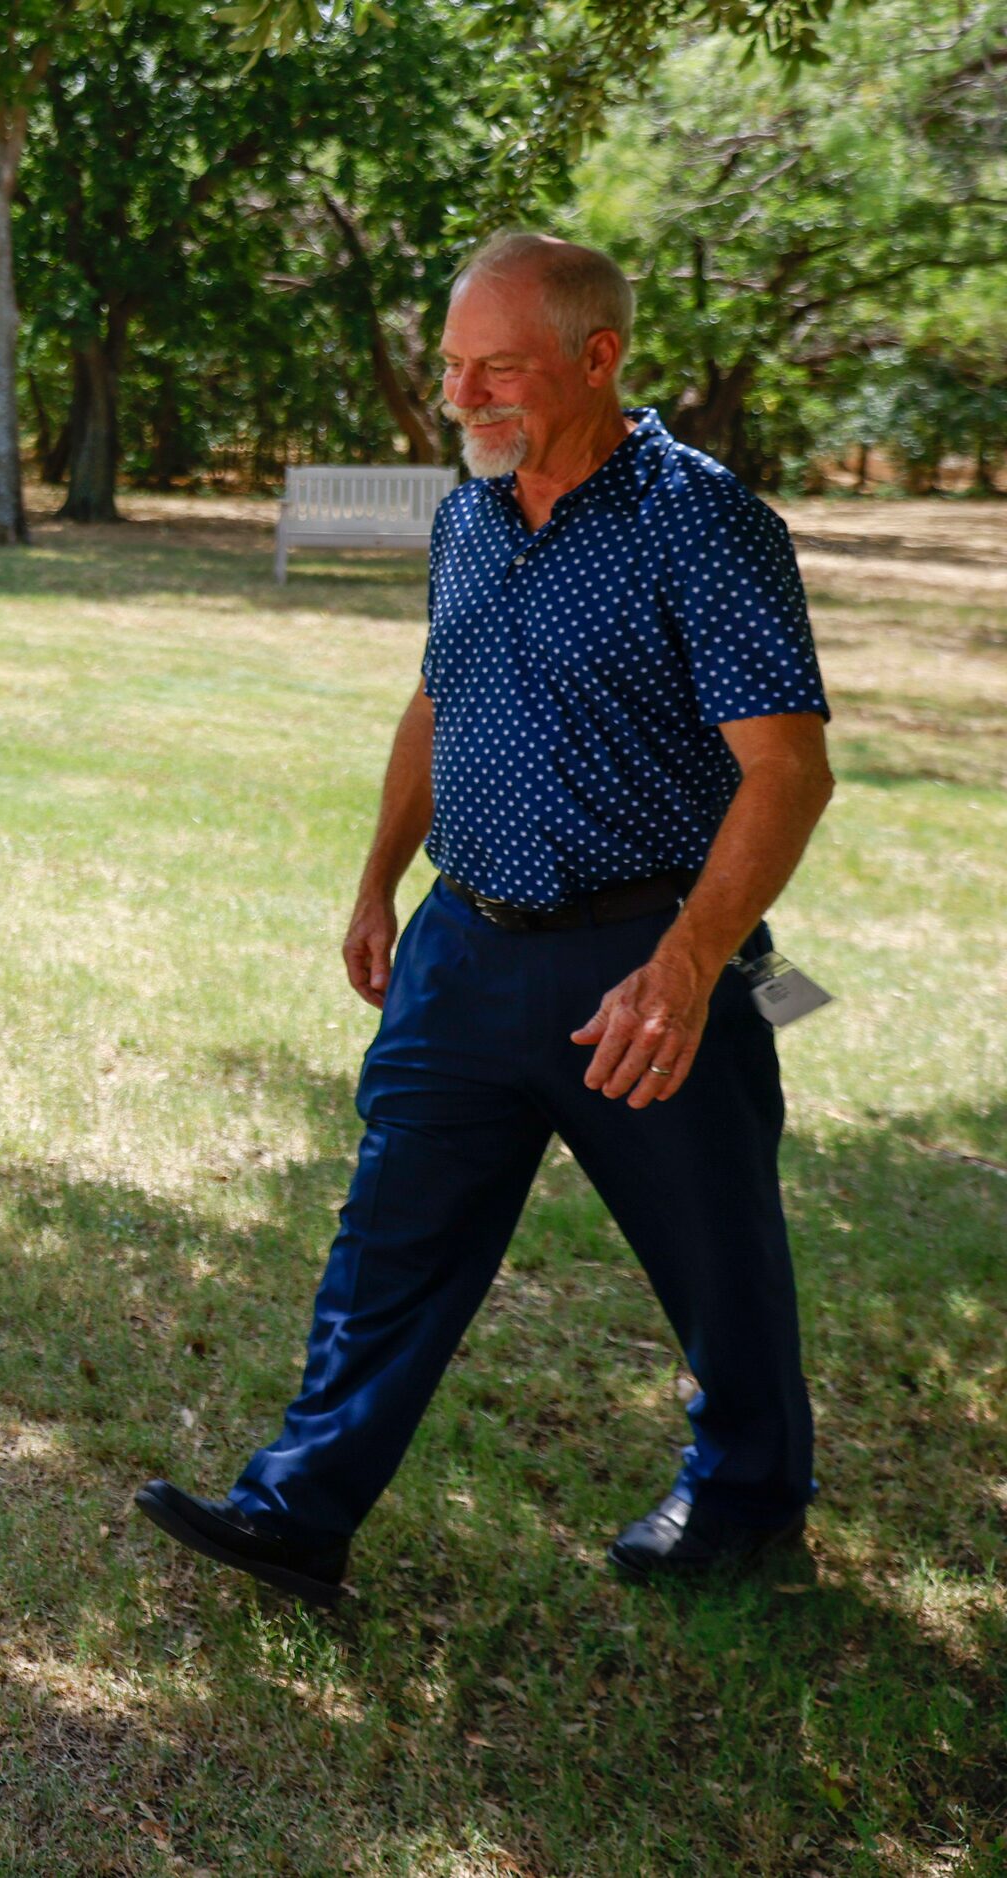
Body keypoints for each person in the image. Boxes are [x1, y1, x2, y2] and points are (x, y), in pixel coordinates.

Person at [136, 233, 835, 1602]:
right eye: (450, 366)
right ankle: (300, 1510)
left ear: (598, 356)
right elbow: (439, 699)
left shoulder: (703, 521)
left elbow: (788, 767)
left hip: (647, 957)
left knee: (718, 1244)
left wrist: (691, 966)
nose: (460, 396)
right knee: (388, 1241)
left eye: (495, 368)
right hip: (464, 946)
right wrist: (378, 877)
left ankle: (751, 1499)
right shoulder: (467, 515)